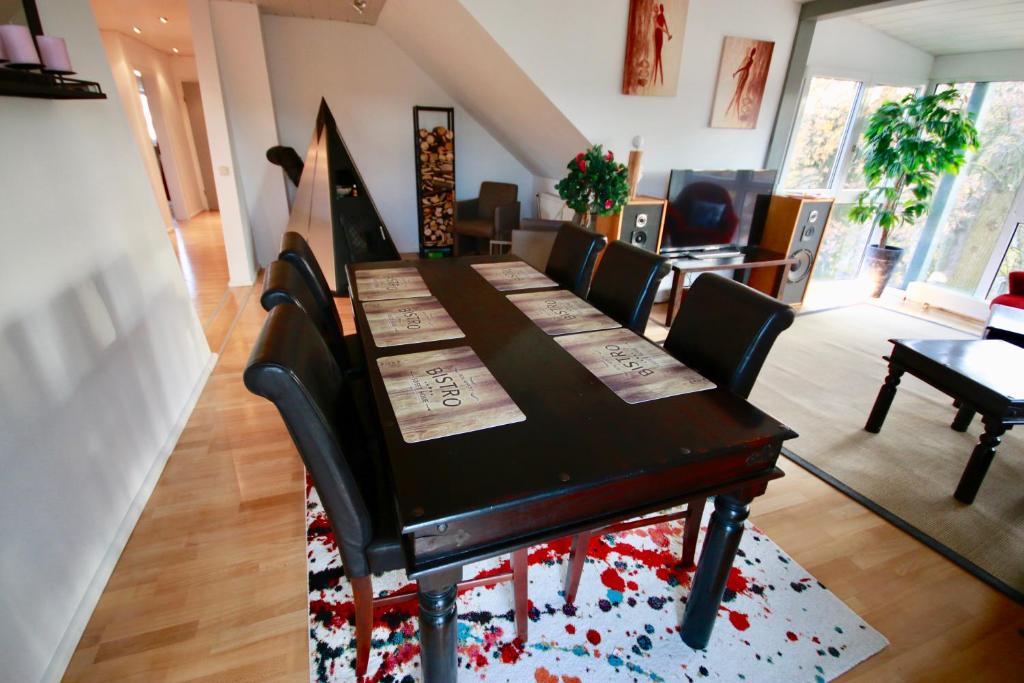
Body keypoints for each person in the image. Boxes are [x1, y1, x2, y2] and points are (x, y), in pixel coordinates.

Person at [726, 47, 756, 117]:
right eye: (752, 52)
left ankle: (735, 111)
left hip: (745, 74)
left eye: (753, 52)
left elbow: (745, 67)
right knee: (738, 90)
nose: (752, 53)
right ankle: (733, 110)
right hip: (744, 73)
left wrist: (736, 72)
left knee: (739, 91)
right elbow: (744, 67)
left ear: (753, 53)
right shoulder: (748, 59)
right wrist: (736, 72)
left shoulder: (750, 60)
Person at [652, 4, 672, 86]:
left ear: (659, 9)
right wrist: (667, 32)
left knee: (659, 55)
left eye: (658, 8)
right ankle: (656, 77)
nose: (657, 9)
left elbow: (666, 25)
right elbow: (658, 27)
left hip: (661, 36)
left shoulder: (661, 16)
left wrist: (668, 33)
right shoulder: (655, 17)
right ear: (654, 10)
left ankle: (658, 78)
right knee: (657, 55)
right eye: (655, 8)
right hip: (656, 35)